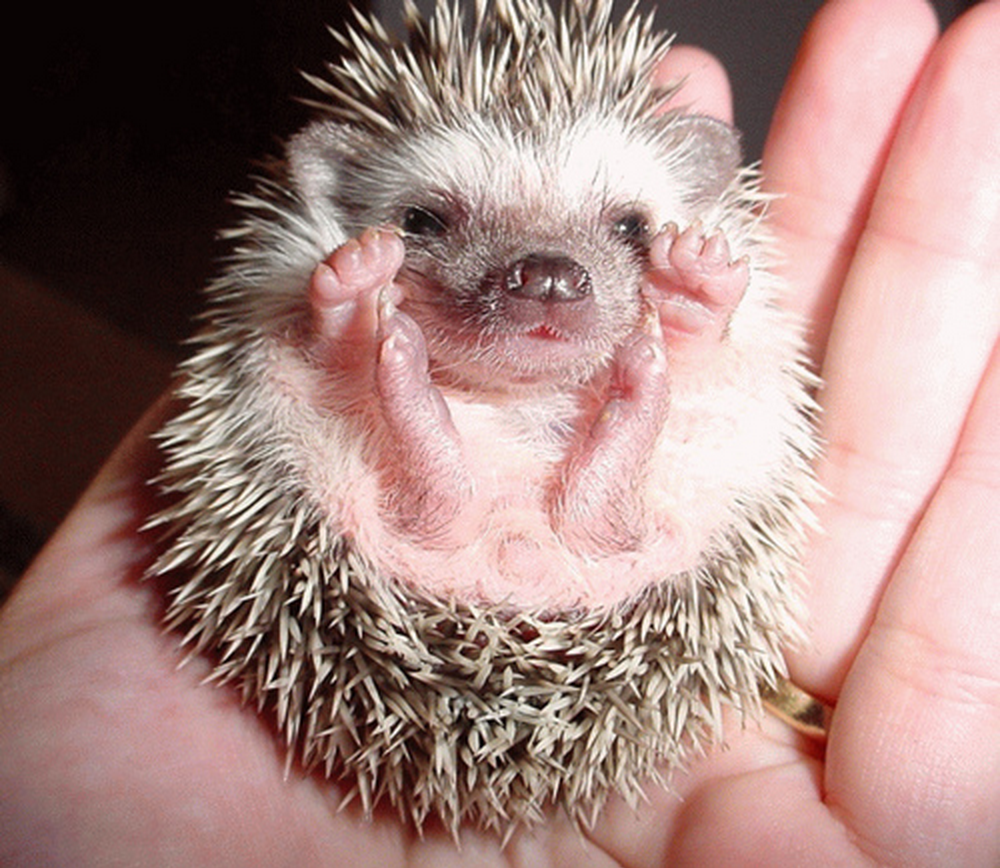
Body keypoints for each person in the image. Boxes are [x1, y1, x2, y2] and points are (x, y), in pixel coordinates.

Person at [1, 0, 996, 864]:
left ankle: (477, 470)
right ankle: (533, 483)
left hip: (518, 543)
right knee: (306, 378)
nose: (541, 276)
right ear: (339, 201)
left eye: (621, 230)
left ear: (691, 196)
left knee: (698, 383)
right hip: (443, 539)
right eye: (430, 219)